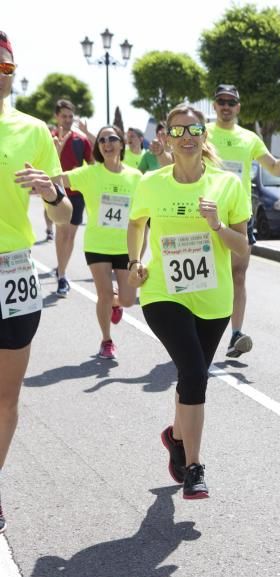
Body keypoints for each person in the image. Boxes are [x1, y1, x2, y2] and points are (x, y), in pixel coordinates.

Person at [126, 104, 250, 500]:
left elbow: (243, 249)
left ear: (204, 134)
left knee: (188, 376)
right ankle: (195, 467)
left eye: (194, 129)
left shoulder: (227, 185)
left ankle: (176, 437)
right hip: (164, 293)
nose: (186, 136)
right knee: (195, 373)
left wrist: (217, 226)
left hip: (213, 300)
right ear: (165, 137)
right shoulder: (151, 183)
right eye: (177, 131)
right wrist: (134, 262)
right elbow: (136, 223)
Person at [0, 30, 74, 533]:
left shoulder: (31, 131)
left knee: (6, 395)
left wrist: (50, 192)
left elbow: (65, 213)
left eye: (4, 69)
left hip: (12, 269)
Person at [206, 83, 280, 359]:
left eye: (231, 102)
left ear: (238, 107)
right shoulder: (204, 133)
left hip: (239, 217)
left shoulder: (249, 138)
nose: (226, 106)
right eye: (221, 101)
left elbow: (274, 169)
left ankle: (236, 334)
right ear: (214, 106)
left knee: (238, 276)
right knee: (206, 277)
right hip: (205, 214)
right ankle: (200, 331)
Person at [58, 125, 142, 359]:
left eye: (112, 138)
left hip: (125, 246)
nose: (106, 143)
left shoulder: (135, 177)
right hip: (97, 245)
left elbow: (144, 215)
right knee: (103, 294)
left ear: (122, 143)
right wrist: (55, 155)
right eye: (102, 140)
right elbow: (58, 179)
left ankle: (116, 301)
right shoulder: (90, 173)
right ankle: (106, 340)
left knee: (127, 300)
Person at [51, 98, 94, 297]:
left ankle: (61, 270)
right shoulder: (49, 137)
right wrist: (58, 148)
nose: (68, 120)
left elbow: (94, 163)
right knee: (61, 233)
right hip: (56, 193)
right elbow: (45, 164)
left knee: (69, 235)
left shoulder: (81, 140)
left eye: (70, 116)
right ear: (57, 116)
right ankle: (61, 274)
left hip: (77, 194)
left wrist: (82, 171)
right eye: (64, 116)